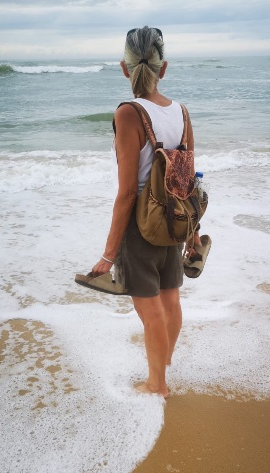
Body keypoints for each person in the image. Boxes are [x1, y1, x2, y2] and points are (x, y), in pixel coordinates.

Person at [91, 26, 198, 398]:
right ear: (162, 68)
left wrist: (108, 254)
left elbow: (125, 194)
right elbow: (188, 182)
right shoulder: (181, 113)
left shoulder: (128, 113)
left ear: (124, 68)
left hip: (140, 226)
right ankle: (162, 365)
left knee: (150, 310)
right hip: (174, 220)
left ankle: (157, 385)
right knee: (171, 301)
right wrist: (193, 233)